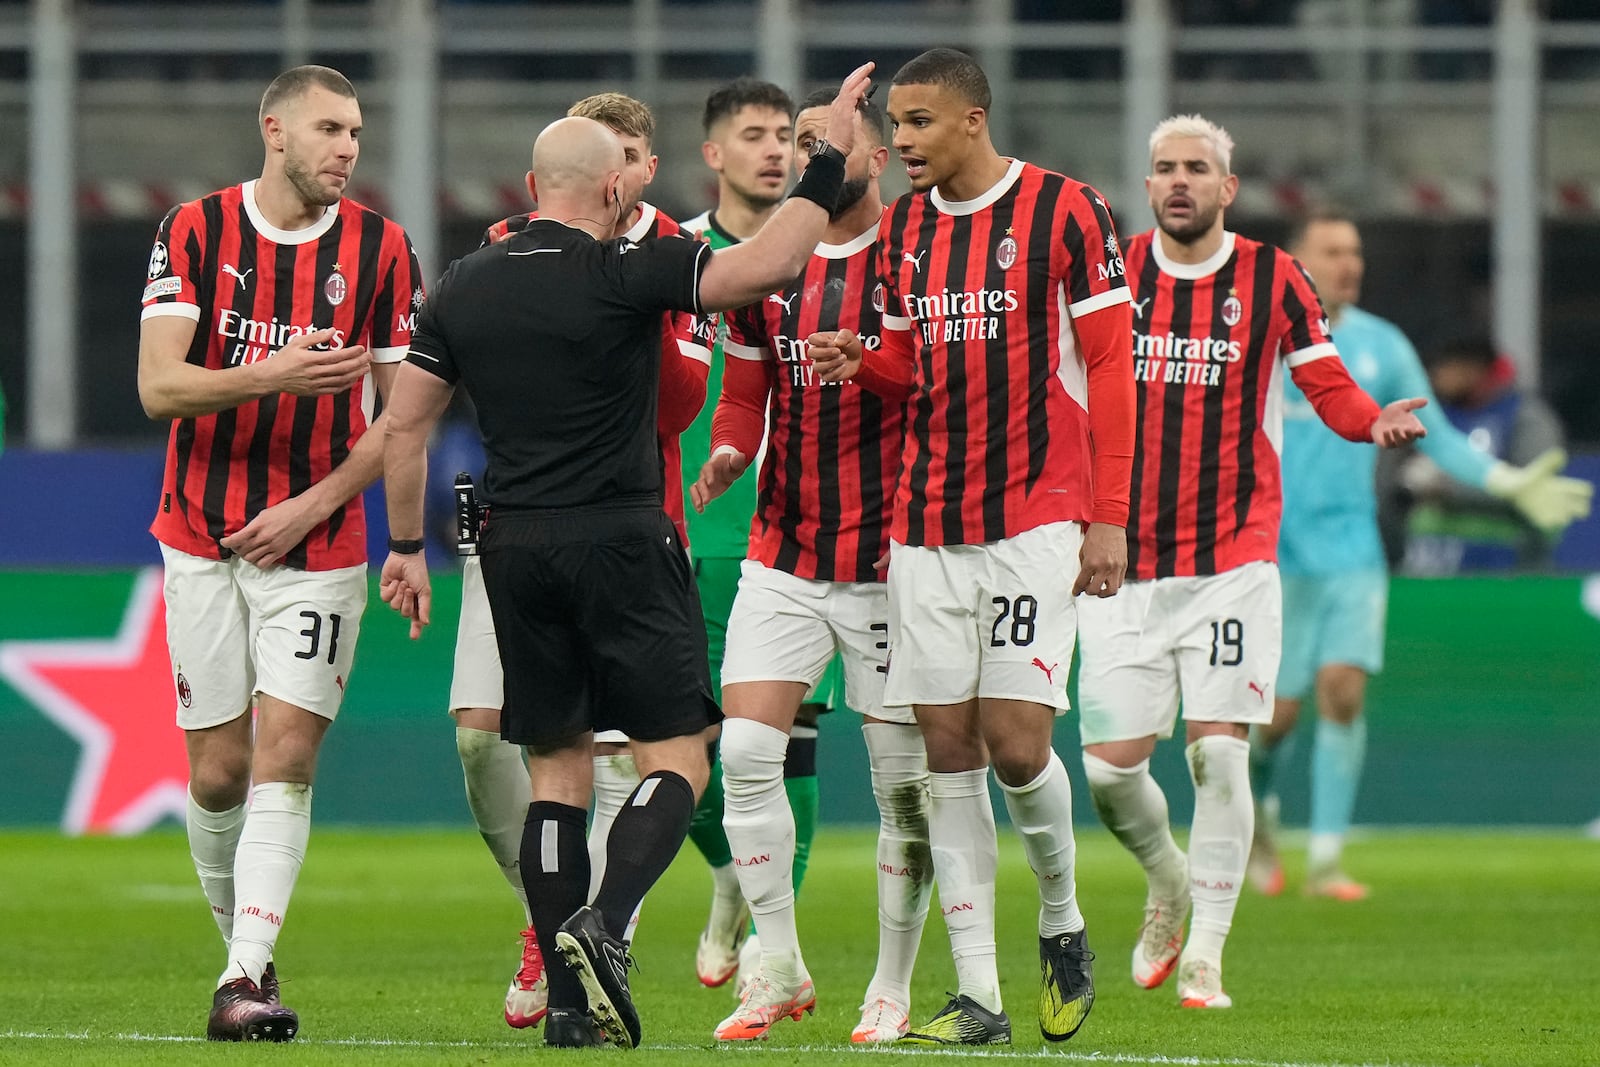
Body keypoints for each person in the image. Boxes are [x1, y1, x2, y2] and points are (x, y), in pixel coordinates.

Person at [378, 62, 877, 1049]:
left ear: (529, 191)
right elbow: (765, 269)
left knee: (557, 769)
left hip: (512, 543)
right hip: (619, 534)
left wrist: (400, 540)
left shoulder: (461, 286)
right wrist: (822, 165)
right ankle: (602, 928)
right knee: (681, 758)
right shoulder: (626, 269)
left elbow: (403, 431)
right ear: (615, 190)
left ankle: (570, 1010)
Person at [811, 47, 1136, 1046]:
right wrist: (864, 360)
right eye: (893, 124)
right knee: (942, 750)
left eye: (915, 122)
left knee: (1017, 741)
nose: (898, 141)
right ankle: (980, 995)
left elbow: (1115, 361)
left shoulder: (1067, 212)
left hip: (1037, 517)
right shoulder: (907, 228)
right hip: (927, 524)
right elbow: (915, 360)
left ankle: (1060, 918)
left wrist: (1109, 512)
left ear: (970, 120)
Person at [1073, 115, 1427, 1012]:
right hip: (1124, 561)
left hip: (1234, 559)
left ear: (1229, 188)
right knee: (1113, 772)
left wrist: (1369, 419)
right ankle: (1169, 881)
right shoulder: (1113, 271)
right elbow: (1058, 377)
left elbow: (1326, 382)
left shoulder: (1274, 279)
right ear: (1148, 186)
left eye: (1197, 168)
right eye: (1164, 169)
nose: (1179, 180)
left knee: (1219, 761)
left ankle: (1209, 957)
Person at [136, 65, 423, 1042]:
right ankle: (243, 956)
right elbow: (159, 387)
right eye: (330, 129)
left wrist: (317, 504)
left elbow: (403, 416)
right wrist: (272, 374)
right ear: (274, 129)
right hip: (198, 533)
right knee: (218, 770)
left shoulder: (382, 249)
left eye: (356, 132)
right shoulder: (196, 230)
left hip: (320, 540)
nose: (348, 147)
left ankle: (242, 974)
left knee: (285, 752)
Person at [446, 91, 712, 1034]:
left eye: (642, 150)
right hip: (522, 524)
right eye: (618, 151)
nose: (632, 166)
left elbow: (680, 404)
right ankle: (565, 928)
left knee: (600, 759)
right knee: (499, 744)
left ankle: (592, 939)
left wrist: (630, 316)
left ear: (644, 166)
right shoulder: (502, 247)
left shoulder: (669, 258)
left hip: (620, 521)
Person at [1250, 215, 1591, 901]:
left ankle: (1325, 859)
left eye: (1356, 251)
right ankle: (1258, 819)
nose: (1350, 263)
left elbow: (1432, 431)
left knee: (1343, 691)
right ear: (1296, 260)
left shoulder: (1382, 345)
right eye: (1333, 251)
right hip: (1272, 549)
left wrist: (1505, 482)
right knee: (1277, 716)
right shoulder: (1260, 337)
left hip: (1352, 545)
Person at [689, 89, 930, 1045]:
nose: (802, 159)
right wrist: (729, 452)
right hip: (785, 547)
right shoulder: (772, 269)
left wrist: (864, 361)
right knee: (745, 753)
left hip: (889, 558)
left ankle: (893, 983)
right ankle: (778, 962)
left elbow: (932, 377)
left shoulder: (915, 256)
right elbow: (746, 390)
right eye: (798, 144)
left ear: (873, 163)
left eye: (824, 144)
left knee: (899, 786)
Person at [677, 78, 830, 994]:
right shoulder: (672, 256)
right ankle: (734, 873)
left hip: (801, 537)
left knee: (789, 738)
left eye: (787, 136)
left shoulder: (830, 257)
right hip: (686, 531)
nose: (776, 151)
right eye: (756, 136)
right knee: (675, 748)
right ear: (714, 154)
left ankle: (775, 952)